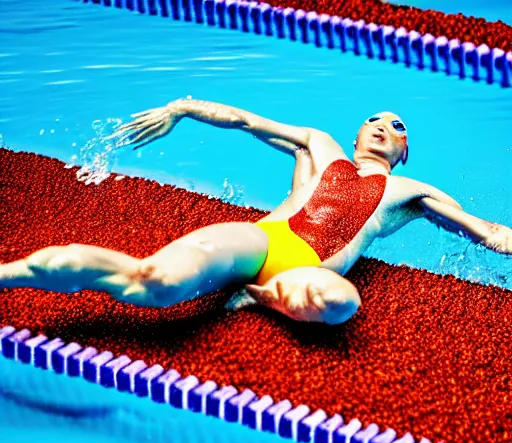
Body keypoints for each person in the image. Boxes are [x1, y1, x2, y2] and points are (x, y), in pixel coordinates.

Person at [2, 99, 511, 325]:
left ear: (405, 152)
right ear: (355, 134)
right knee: (152, 282)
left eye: (396, 126)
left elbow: (485, 231)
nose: (381, 126)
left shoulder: (412, 190)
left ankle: (265, 297)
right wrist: (183, 107)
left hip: (309, 271)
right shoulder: (318, 144)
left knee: (342, 305)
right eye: (372, 120)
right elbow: (245, 120)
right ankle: (11, 274)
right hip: (264, 239)